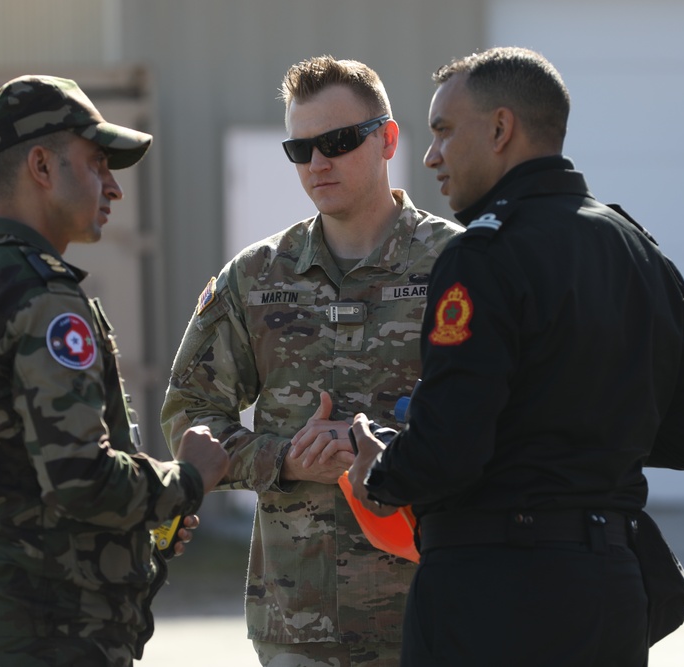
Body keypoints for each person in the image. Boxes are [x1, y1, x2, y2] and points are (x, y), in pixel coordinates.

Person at [347, 47, 684, 666]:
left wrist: (381, 469)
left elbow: (449, 450)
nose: (431, 156)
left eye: (444, 131)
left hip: (494, 597)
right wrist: (581, 431)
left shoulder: (482, 254)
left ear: (501, 130)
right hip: (610, 591)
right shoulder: (639, 251)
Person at [0, 74, 230, 667]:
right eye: (96, 163)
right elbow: (80, 478)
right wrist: (186, 480)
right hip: (57, 639)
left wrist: (145, 518)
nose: (114, 187)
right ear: (41, 165)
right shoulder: (44, 297)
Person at [161, 56, 462, 666]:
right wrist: (284, 459)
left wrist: (386, 455)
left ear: (388, 140)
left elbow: (510, 416)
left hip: (435, 611)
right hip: (300, 624)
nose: (318, 163)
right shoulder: (255, 278)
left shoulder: (456, 264)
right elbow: (189, 414)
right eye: (300, 149)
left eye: (338, 141)